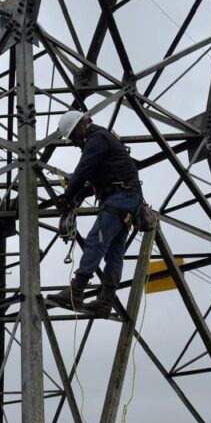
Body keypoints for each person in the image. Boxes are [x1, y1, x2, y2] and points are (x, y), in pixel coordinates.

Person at [49, 112, 142, 318]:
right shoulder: (102, 139)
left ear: (82, 126)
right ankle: (105, 301)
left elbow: (83, 170)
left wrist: (67, 196)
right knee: (114, 253)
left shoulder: (97, 139)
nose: (75, 143)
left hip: (120, 199)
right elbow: (94, 180)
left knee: (96, 240)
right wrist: (78, 196)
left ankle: (75, 292)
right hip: (127, 200)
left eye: (73, 137)